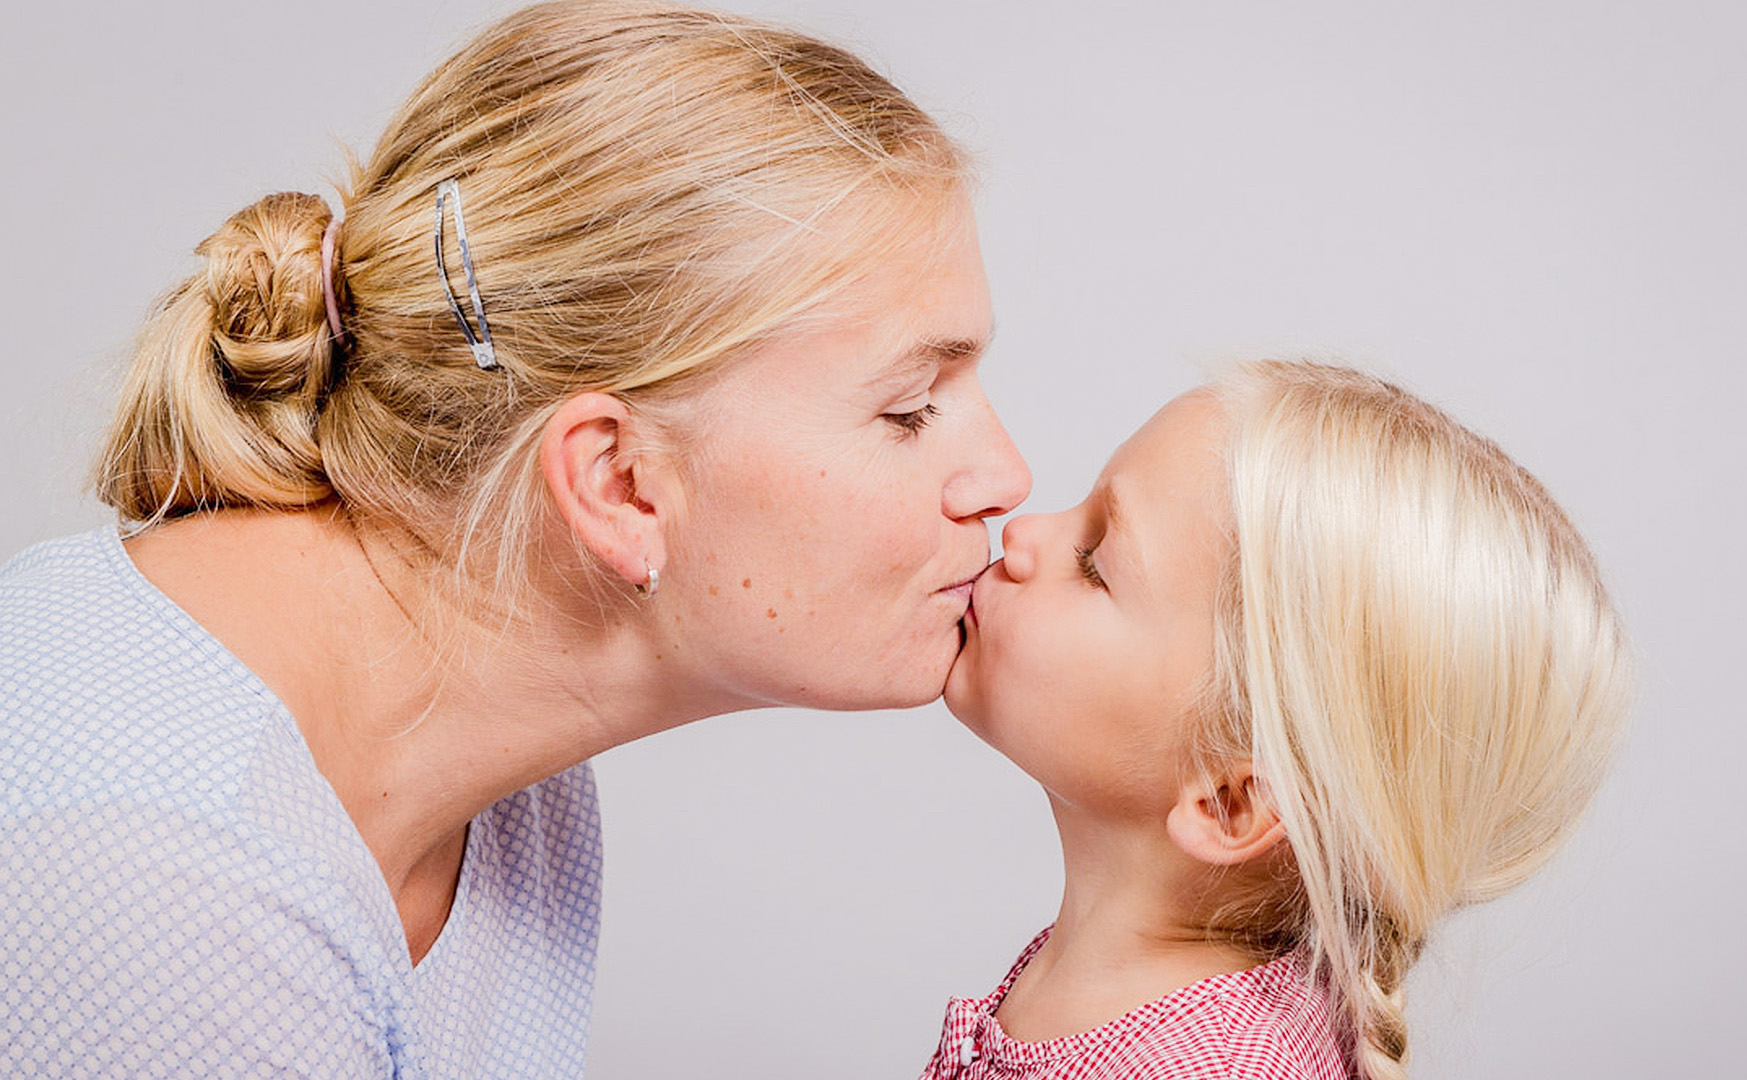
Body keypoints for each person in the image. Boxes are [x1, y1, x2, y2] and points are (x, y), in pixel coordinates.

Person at [0, 1, 1028, 1076]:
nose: (1005, 478)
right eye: (911, 408)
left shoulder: (509, 788)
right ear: (619, 483)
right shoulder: (157, 884)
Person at [925, 360, 1631, 1079]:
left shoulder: (1216, 1067)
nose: (1022, 535)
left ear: (1233, 802)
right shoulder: (1106, 987)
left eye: (1095, 563)